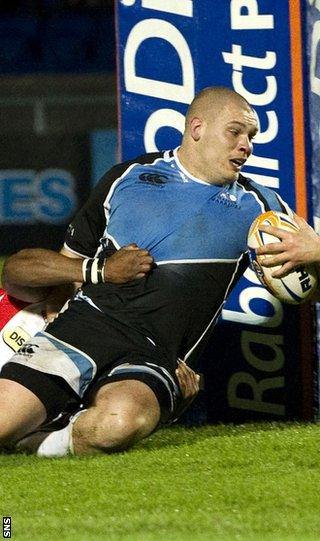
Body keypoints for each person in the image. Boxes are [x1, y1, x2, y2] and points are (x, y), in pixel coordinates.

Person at [0, 86, 298, 457]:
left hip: (157, 354)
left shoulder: (263, 207)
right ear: (197, 128)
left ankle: (33, 442)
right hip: (86, 326)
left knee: (119, 425)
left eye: (251, 137)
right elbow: (65, 260)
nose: (246, 146)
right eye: (235, 132)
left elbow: (306, 284)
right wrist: (93, 278)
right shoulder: (127, 177)